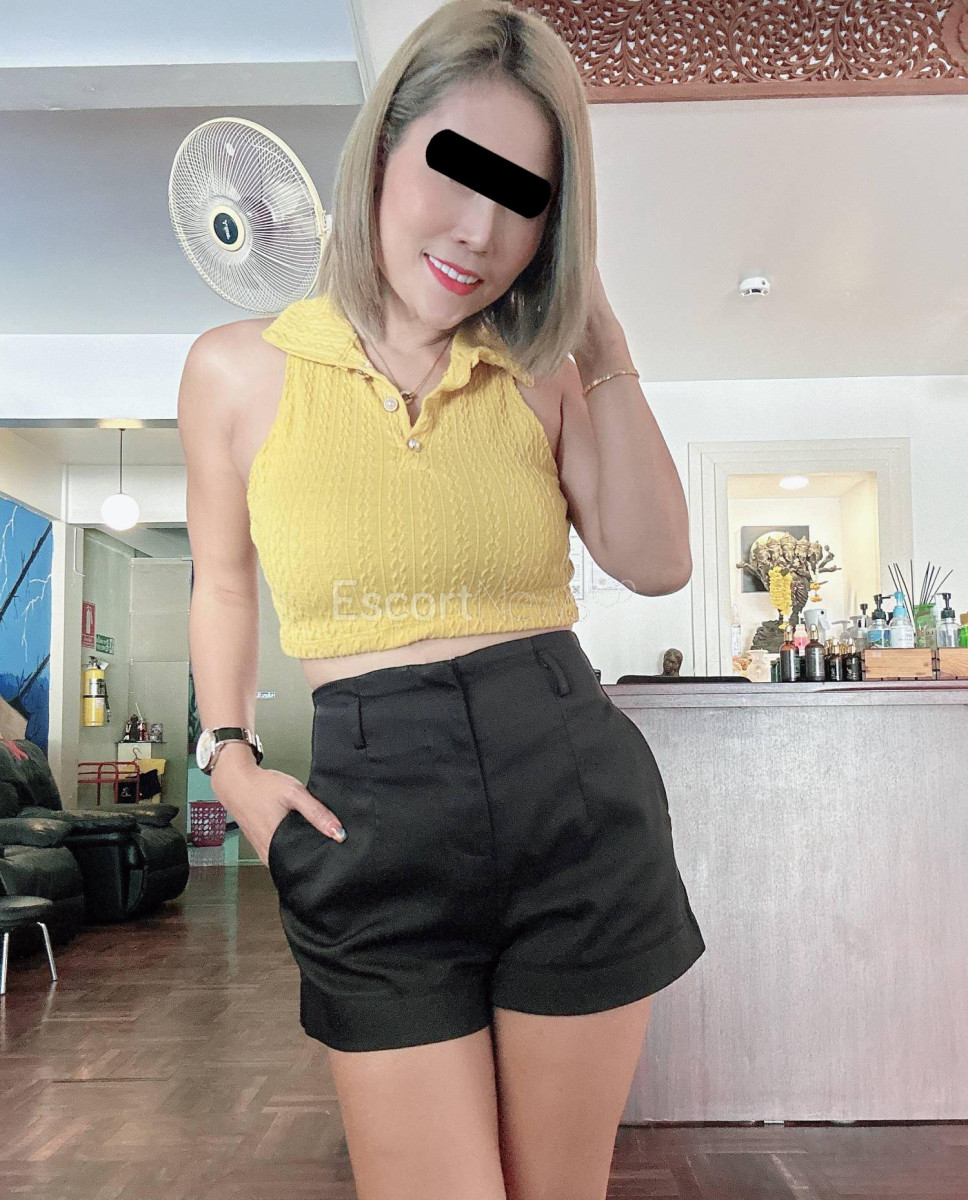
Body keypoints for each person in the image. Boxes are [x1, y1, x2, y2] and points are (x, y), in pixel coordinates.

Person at [178, 2, 705, 1197]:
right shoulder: (236, 369)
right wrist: (229, 759)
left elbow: (656, 561)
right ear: (379, 149)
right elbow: (222, 583)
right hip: (370, 816)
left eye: (524, 198)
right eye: (455, 170)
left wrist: (599, 341)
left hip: (569, 798)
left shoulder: (538, 370)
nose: (481, 229)